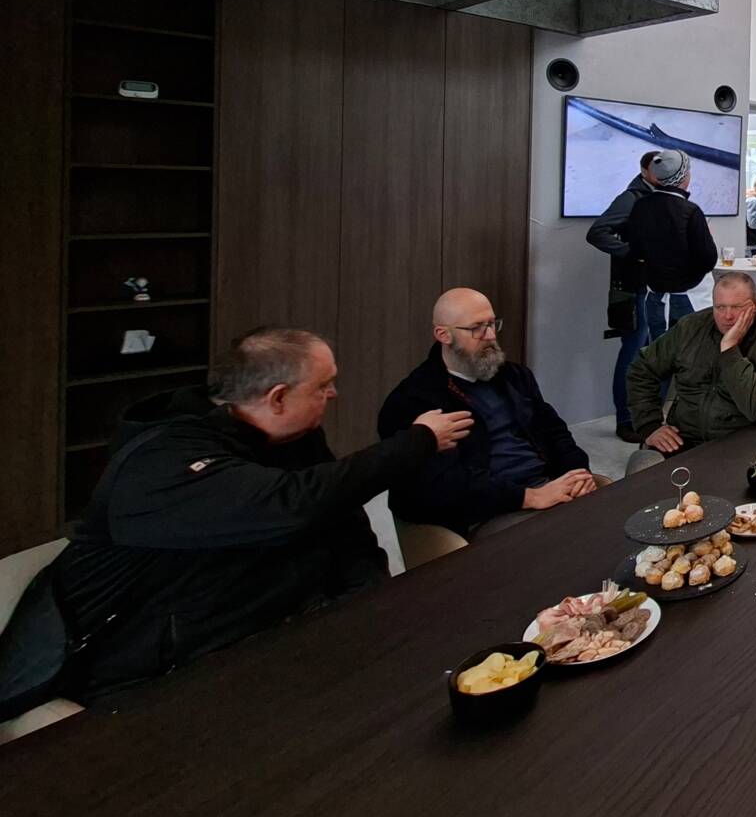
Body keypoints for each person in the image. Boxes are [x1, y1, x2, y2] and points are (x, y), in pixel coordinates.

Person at [23, 328, 466, 704]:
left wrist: (366, 605)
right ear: (278, 398)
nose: (333, 394)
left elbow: (341, 521)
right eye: (323, 385)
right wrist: (416, 442)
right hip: (144, 666)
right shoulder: (160, 460)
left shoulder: (295, 435)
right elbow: (290, 507)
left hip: (268, 631)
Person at [381, 289, 602, 538]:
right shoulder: (413, 400)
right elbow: (440, 488)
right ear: (443, 334)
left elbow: (555, 431)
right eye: (476, 328)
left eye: (492, 324)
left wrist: (577, 473)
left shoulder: (514, 376)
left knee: (617, 520)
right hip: (488, 512)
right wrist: (530, 497)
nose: (490, 335)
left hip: (545, 485)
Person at [627, 270, 756, 457]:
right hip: (685, 438)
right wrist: (649, 425)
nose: (727, 316)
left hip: (744, 443)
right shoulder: (691, 327)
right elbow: (642, 369)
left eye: (737, 307)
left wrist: (730, 349)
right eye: (720, 307)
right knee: (644, 468)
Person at [623, 148, 720, 377]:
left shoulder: (641, 206)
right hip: (690, 300)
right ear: (683, 177)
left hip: (655, 299)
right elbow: (708, 258)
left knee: (661, 364)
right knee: (696, 366)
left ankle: (658, 402)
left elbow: (635, 249)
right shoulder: (690, 211)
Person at [587, 150, 659, 440]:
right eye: (656, 166)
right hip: (634, 288)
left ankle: (646, 416)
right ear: (644, 170)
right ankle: (625, 420)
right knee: (632, 353)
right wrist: (631, 253)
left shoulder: (658, 197)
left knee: (651, 354)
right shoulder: (630, 198)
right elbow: (597, 232)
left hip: (656, 288)